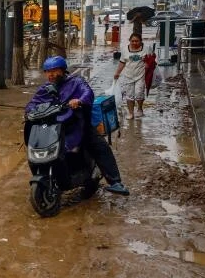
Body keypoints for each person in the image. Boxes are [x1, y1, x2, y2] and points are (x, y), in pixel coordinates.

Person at [26, 56, 130, 195]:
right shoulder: (45, 88)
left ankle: (115, 181)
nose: (51, 74)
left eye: (54, 71)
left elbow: (88, 93)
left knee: (98, 145)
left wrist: (79, 100)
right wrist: (29, 112)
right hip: (55, 126)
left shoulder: (76, 82)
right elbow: (33, 103)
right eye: (48, 71)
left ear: (63, 70)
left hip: (76, 123)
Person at [114, 33, 147, 117]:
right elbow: (122, 62)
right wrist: (117, 73)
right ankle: (131, 112)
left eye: (137, 41)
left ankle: (139, 108)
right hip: (128, 76)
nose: (135, 43)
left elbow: (151, 60)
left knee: (139, 92)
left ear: (140, 41)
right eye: (133, 41)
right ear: (130, 41)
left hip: (141, 75)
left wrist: (148, 63)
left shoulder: (146, 49)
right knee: (129, 95)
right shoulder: (125, 50)